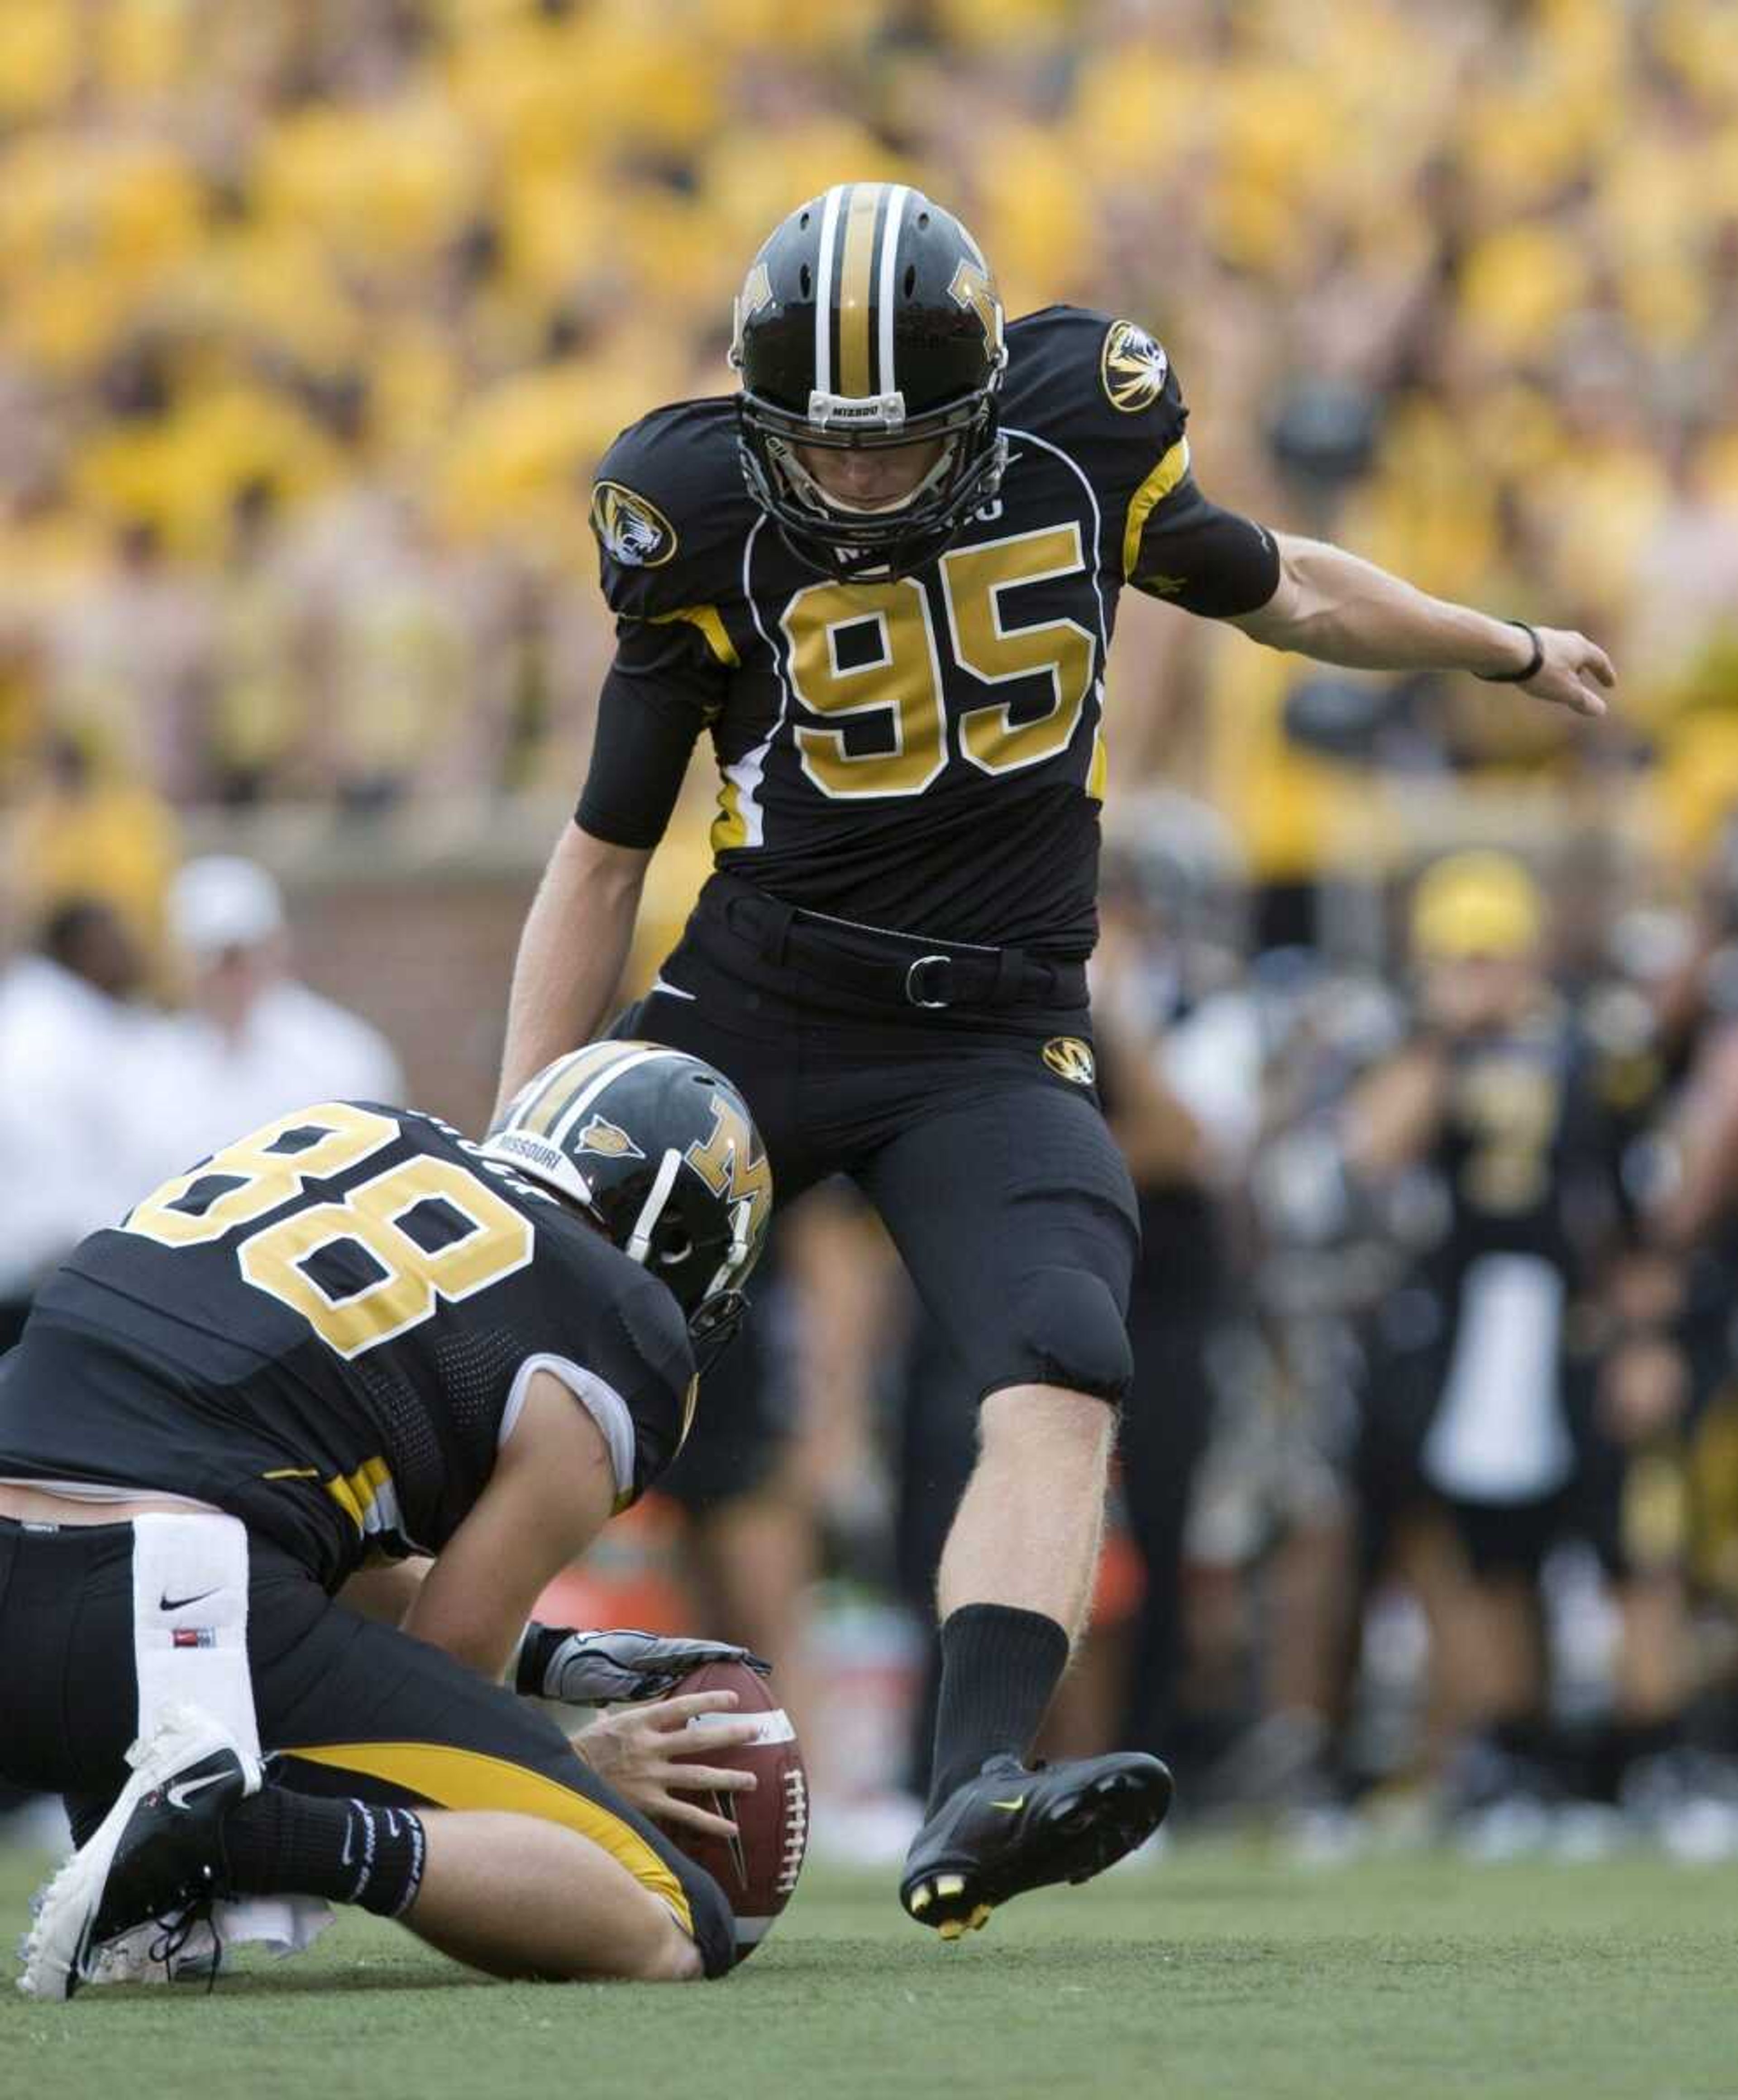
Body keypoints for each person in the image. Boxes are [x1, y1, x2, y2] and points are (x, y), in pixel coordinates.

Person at [494, 183, 1614, 1938]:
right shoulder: (692, 504)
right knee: (528, 1320)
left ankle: (975, 1789)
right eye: (826, 443)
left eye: (902, 441)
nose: (859, 478)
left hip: (997, 1023)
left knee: (1068, 1356)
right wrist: (522, 1134)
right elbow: (605, 851)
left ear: (982, 405)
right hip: (761, 995)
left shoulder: (1083, 432)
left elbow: (1290, 589)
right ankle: (365, 1709)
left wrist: (1511, 645)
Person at [1, 1040, 774, 1997]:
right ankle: (238, 1828)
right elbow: (443, 1666)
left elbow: (269, 1497)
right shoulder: (618, 1330)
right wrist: (573, 1767)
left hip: (76, 1583)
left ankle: (169, 1828)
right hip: (157, 1616)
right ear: (689, 1247)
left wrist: (542, 1657)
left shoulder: (350, 1128)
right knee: (667, 1916)